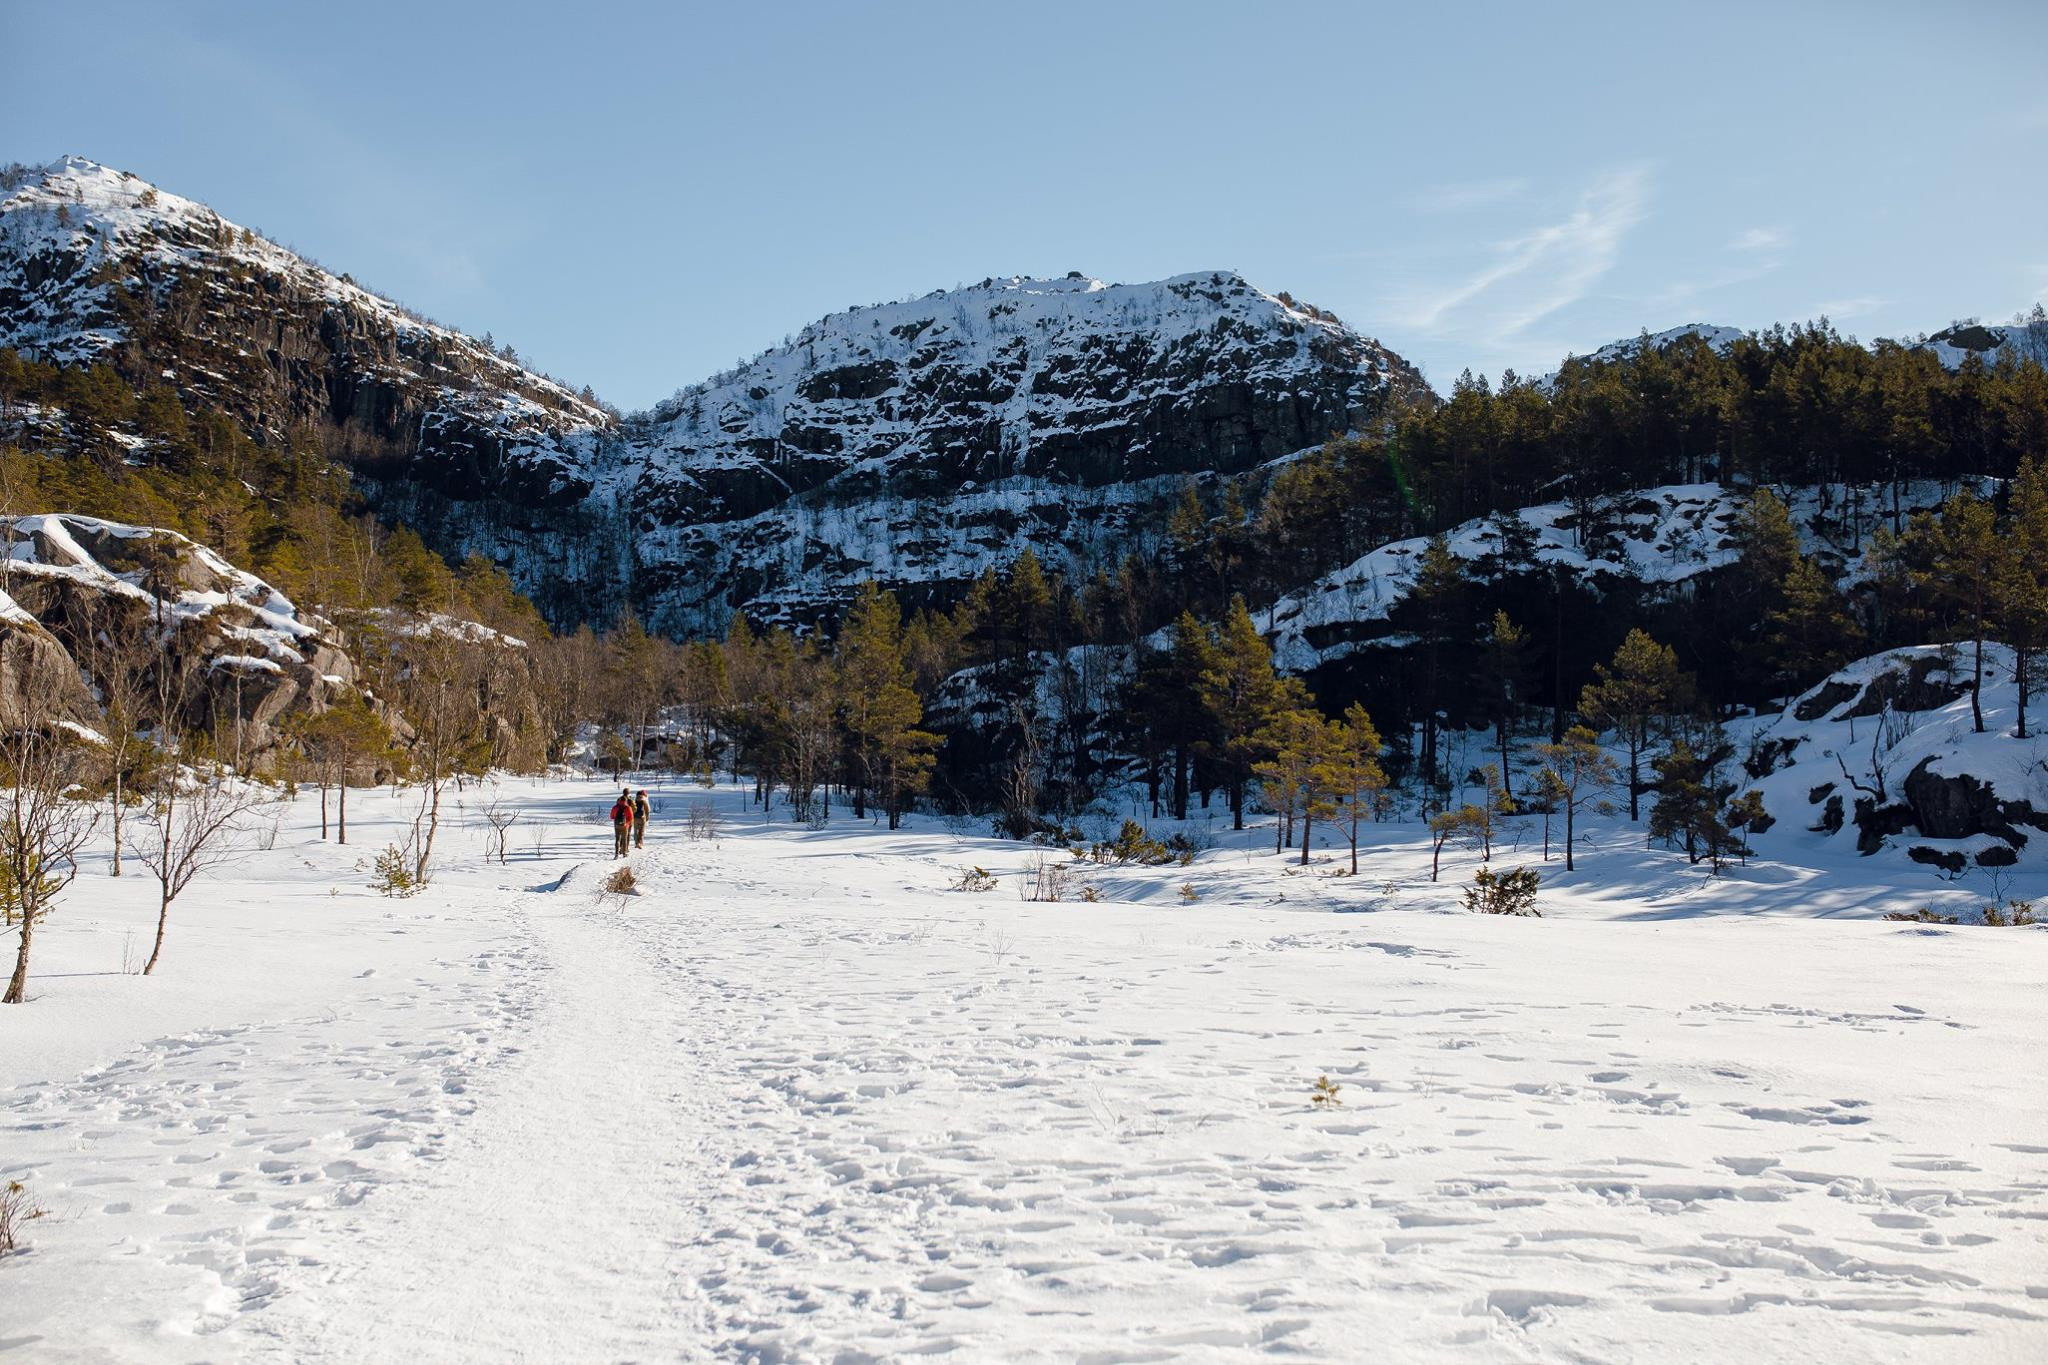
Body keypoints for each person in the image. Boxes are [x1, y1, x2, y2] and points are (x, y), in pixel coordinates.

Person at [609, 789, 633, 858]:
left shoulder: (615, 807)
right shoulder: (628, 807)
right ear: (625, 801)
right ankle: (624, 853)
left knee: (617, 839)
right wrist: (627, 823)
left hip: (617, 825)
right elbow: (630, 818)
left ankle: (616, 854)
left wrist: (616, 819)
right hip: (625, 826)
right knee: (624, 839)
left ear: (619, 801)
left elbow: (611, 816)